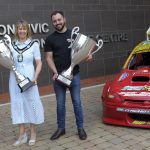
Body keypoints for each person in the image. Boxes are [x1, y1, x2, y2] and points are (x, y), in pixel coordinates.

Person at [44, 10, 92, 140]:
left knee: (77, 102)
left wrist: (88, 56)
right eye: (54, 21)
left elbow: (84, 52)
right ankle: (61, 129)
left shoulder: (75, 35)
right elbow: (48, 58)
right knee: (60, 104)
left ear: (64, 19)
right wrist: (54, 72)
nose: (57, 22)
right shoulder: (50, 39)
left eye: (59, 19)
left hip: (74, 75)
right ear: (52, 23)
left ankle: (80, 128)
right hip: (58, 77)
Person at [9, 20, 44, 146]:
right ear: (16, 30)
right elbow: (8, 61)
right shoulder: (12, 45)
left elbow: (39, 62)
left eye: (24, 28)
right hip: (15, 79)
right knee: (18, 104)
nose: (22, 31)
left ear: (27, 30)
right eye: (19, 29)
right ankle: (22, 135)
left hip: (30, 78)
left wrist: (35, 77)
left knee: (32, 103)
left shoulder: (34, 44)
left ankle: (33, 133)